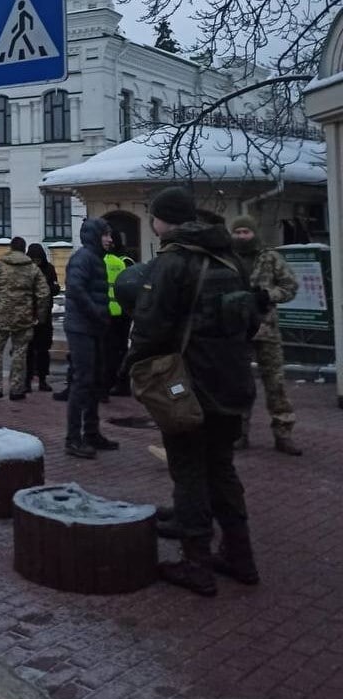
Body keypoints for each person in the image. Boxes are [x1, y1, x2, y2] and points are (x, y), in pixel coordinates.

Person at [125, 186, 261, 596]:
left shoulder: (175, 261)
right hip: (232, 381)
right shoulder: (229, 257)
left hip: (190, 386)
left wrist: (132, 366)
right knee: (221, 468)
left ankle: (196, 562)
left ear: (165, 220)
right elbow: (249, 320)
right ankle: (240, 555)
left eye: (154, 216)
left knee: (188, 470)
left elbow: (151, 325)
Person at [230, 215, 301, 455]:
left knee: (275, 383)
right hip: (237, 329)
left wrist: (268, 295)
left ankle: (283, 433)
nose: (241, 236)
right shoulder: (228, 258)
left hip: (266, 329)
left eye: (245, 232)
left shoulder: (270, 258)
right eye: (237, 232)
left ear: (254, 233)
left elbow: (290, 286)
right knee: (239, 383)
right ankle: (238, 433)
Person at [62, 218, 118, 458]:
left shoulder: (96, 259)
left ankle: (92, 433)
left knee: (95, 380)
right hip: (81, 328)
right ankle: (73, 438)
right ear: (95, 236)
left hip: (92, 327)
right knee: (83, 381)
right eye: (106, 235)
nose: (110, 240)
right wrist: (97, 313)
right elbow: (76, 288)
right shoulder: (84, 258)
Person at [0, 237, 51, 401]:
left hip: (0, 314)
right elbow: (44, 293)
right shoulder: (32, 268)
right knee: (20, 353)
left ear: (11, 248)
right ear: (24, 249)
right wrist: (40, 316)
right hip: (23, 316)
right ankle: (16, 389)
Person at [25, 242, 60, 392]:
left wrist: (47, 289)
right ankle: (26, 380)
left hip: (44, 314)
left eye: (38, 259)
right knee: (28, 349)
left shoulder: (49, 269)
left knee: (43, 348)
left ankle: (43, 379)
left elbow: (55, 287)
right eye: (33, 259)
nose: (36, 262)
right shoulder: (25, 269)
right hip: (27, 314)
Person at [103, 236, 132, 396]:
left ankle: (115, 382)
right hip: (124, 312)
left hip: (110, 312)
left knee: (111, 350)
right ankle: (121, 382)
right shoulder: (126, 261)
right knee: (120, 349)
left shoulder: (110, 261)